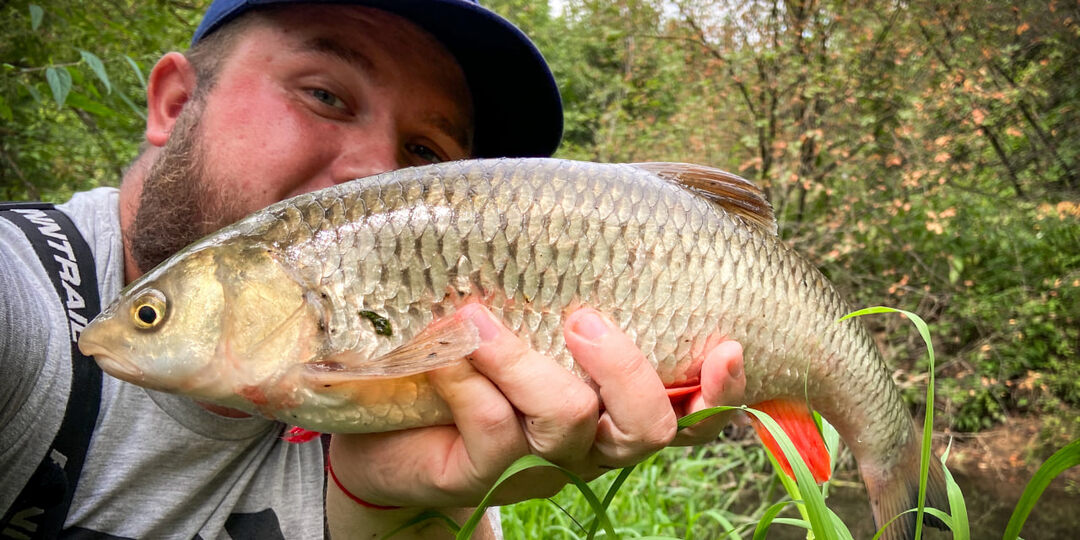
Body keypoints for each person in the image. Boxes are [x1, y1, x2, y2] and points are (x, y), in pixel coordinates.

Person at [0, 0, 747, 538]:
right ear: (174, 102)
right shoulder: (20, 301)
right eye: (324, 95)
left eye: (424, 157)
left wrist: (398, 508)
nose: (370, 181)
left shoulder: (416, 386)